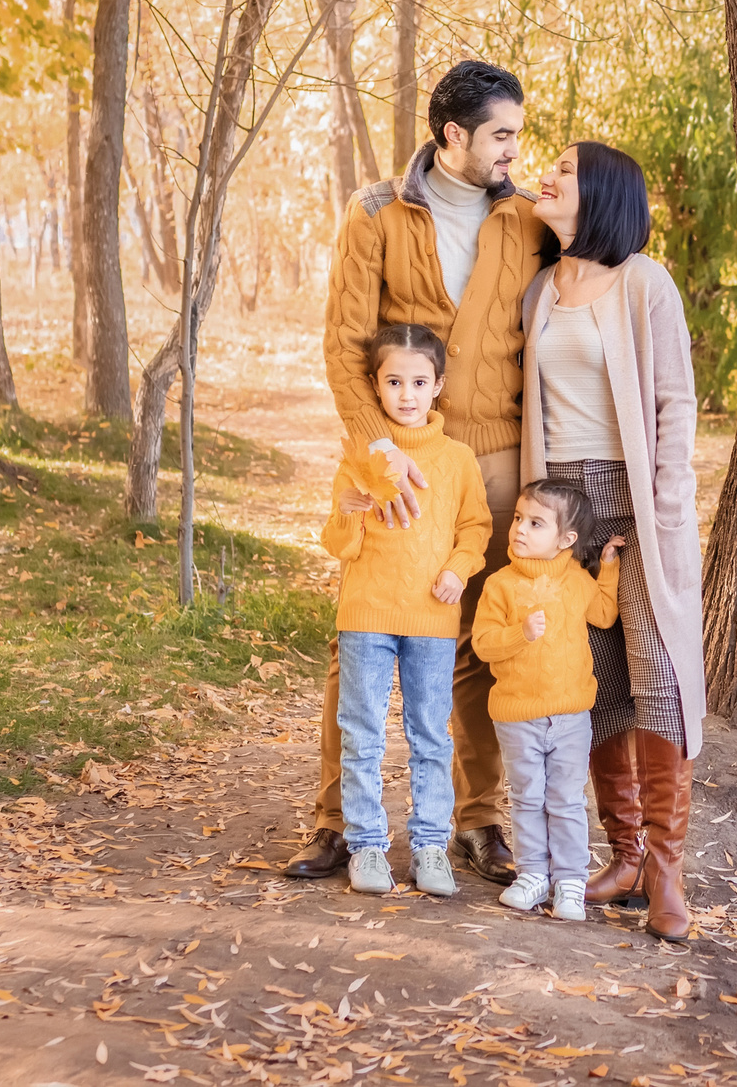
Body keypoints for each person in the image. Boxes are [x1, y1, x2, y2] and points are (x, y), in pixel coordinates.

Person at [288, 61, 543, 887]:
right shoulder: (376, 213)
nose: (514, 148)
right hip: (397, 458)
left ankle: (478, 820)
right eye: (501, 133)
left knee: (476, 638)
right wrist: (378, 453)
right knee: (360, 635)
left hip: (496, 458)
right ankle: (336, 822)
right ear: (453, 135)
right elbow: (343, 343)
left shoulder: (531, 221)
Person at [520, 140, 707, 943]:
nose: (547, 175)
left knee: (658, 677)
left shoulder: (644, 281)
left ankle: (666, 866)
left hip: (635, 505)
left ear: (599, 191)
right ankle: (624, 854)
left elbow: (675, 402)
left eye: (564, 168)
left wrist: (663, 509)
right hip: (565, 508)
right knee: (592, 682)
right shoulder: (541, 291)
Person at [319, 324, 493, 897]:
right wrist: (347, 510)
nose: (407, 394)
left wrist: (457, 570)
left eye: (419, 381)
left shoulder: (457, 460)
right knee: (362, 732)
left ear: (439, 385)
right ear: (376, 385)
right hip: (367, 614)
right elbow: (338, 543)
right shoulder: (361, 457)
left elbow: (476, 528)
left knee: (430, 737)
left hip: (433, 621)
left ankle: (429, 848)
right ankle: (366, 847)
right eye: (394, 382)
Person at [469, 480, 624, 921]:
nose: (519, 529)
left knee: (566, 800)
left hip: (571, 713)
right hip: (517, 715)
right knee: (526, 797)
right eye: (519, 518)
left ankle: (571, 881)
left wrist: (607, 568)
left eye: (536, 523)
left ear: (566, 540)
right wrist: (521, 634)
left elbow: (605, 613)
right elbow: (482, 643)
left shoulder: (577, 582)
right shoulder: (500, 585)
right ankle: (533, 873)